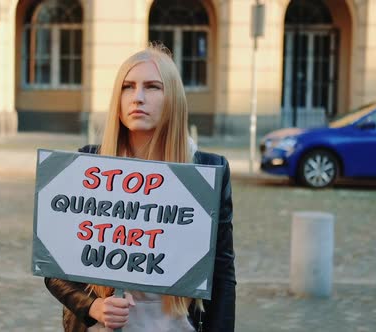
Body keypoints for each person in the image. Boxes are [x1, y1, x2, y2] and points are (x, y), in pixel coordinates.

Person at [44, 44, 236, 332]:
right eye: (128, 87)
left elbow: (222, 273)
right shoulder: (88, 165)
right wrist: (92, 306)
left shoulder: (207, 171)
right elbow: (52, 262)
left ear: (173, 97)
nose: (138, 97)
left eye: (153, 87)